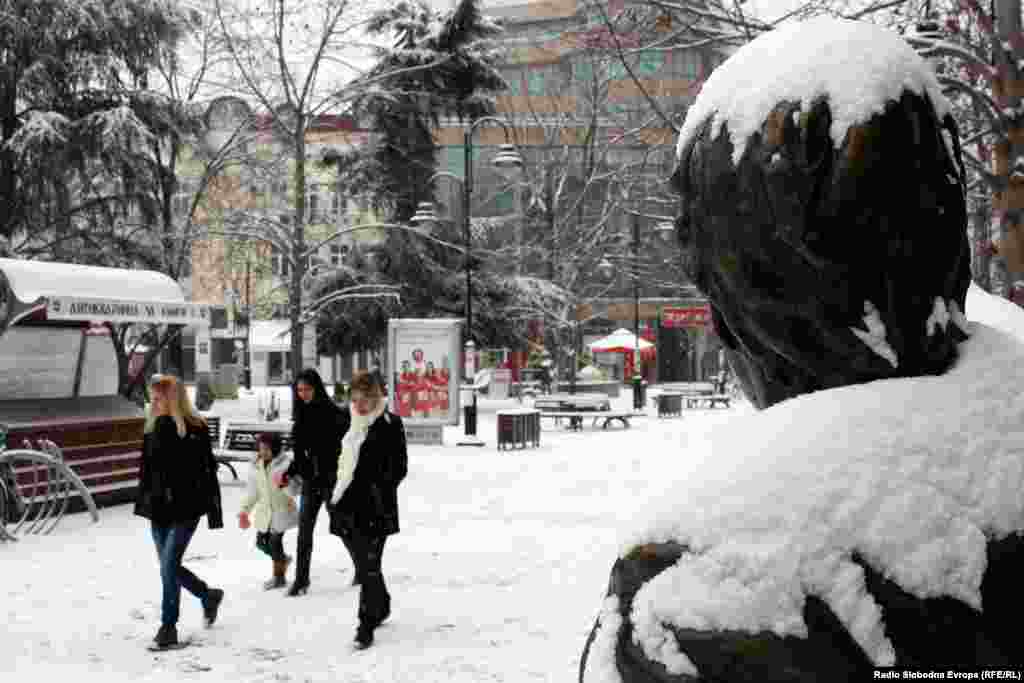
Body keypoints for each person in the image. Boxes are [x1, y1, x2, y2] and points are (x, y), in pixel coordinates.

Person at [134, 374, 224, 649]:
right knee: (167, 567)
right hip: (158, 508)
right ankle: (207, 595)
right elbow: (147, 471)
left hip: (186, 508)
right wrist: (144, 500)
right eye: (153, 398)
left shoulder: (194, 429)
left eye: (159, 398)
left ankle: (168, 626)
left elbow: (207, 470)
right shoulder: (152, 428)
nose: (154, 402)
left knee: (168, 566)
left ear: (173, 400)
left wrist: (212, 509)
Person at [328, 370, 408, 650]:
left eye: (366, 399)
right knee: (366, 564)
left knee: (369, 566)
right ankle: (381, 602)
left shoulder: (390, 424)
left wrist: (379, 486)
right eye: (356, 398)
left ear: (376, 397)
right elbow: (333, 455)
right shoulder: (346, 421)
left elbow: (400, 467)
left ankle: (365, 624)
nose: (360, 405)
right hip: (346, 502)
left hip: (376, 506)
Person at [276, 368, 353, 596]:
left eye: (307, 389)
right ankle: (301, 579)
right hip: (311, 481)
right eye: (299, 390)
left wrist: (334, 468)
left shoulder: (332, 413)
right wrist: (290, 472)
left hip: (330, 480)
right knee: (304, 532)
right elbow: (299, 451)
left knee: (341, 526)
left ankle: (362, 566)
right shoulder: (301, 414)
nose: (303, 394)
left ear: (316, 388)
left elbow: (343, 447)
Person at [238, 432, 301, 590]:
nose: (263, 452)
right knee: (261, 543)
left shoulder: (286, 465)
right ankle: (282, 560)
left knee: (274, 543)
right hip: (264, 513)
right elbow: (253, 492)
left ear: (275, 448)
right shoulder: (256, 466)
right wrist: (244, 510)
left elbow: (295, 490)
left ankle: (279, 577)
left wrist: (284, 483)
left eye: (266, 449)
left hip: (282, 512)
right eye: (260, 449)